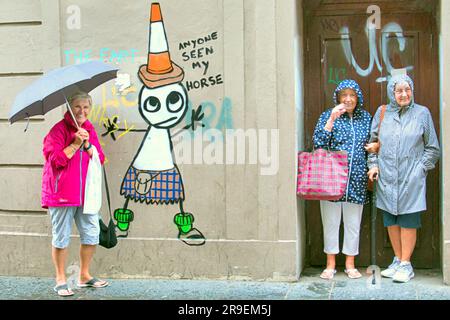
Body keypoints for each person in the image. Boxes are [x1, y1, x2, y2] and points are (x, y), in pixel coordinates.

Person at [367, 74, 440, 283]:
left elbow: (433, 148)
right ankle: (398, 260)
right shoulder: (382, 113)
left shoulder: (422, 113)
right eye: (399, 91)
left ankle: (407, 264)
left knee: (408, 219)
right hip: (387, 176)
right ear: (392, 92)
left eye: (407, 90)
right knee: (391, 219)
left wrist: (420, 170)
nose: (404, 94)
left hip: (411, 177)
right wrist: (373, 166)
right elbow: (373, 145)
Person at [41, 91, 109, 296]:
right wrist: (75, 144)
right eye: (77, 106)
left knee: (91, 234)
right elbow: (55, 162)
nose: (82, 111)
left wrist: (88, 144)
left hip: (86, 194)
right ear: (70, 107)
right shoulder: (58, 131)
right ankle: (60, 279)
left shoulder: (88, 129)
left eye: (86, 107)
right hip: (61, 193)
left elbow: (100, 158)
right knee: (61, 237)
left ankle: (84, 276)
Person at [313, 79, 372, 280]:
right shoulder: (328, 116)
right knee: (330, 222)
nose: (348, 99)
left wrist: (375, 149)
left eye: (352, 95)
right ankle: (330, 264)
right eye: (344, 95)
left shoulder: (365, 118)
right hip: (331, 177)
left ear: (358, 98)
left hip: (356, 178)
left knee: (353, 223)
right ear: (338, 97)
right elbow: (318, 143)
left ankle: (350, 264)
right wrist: (331, 118)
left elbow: (372, 142)